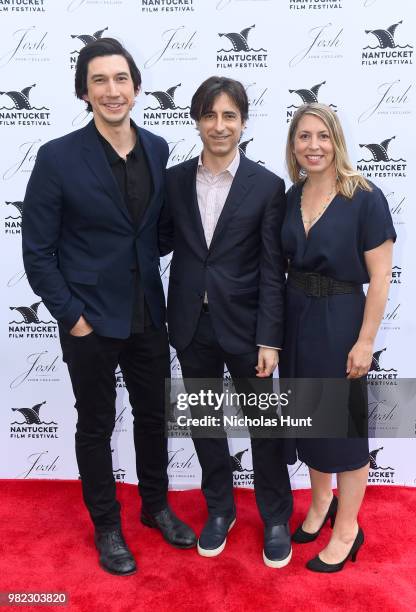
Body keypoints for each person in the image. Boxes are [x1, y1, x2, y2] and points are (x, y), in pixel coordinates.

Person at [22, 37, 196, 576]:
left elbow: (156, 234)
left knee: (152, 419)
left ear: (137, 87)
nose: (112, 90)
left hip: (148, 314)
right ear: (84, 91)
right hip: (89, 322)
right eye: (100, 80)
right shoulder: (56, 157)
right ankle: (107, 526)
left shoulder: (159, 149)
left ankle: (155, 508)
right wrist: (71, 317)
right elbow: (37, 250)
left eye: (121, 79)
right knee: (95, 426)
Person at [159, 76, 293, 568]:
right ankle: (221, 510)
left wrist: (269, 339)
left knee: (265, 426)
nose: (219, 126)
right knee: (205, 423)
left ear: (243, 121)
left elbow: (271, 269)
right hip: (191, 325)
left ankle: (276, 516)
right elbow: (161, 240)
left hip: (247, 328)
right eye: (210, 115)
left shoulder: (266, 185)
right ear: (196, 120)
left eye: (229, 116)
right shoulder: (173, 180)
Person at [280, 103, 396, 572]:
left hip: (341, 319)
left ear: (337, 141)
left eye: (322, 136)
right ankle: (321, 502)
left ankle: (348, 527)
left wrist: (365, 341)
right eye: (304, 136)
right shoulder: (292, 196)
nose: (313, 146)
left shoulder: (365, 197)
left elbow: (381, 279)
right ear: (293, 145)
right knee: (308, 418)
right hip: (297, 319)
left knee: (344, 430)